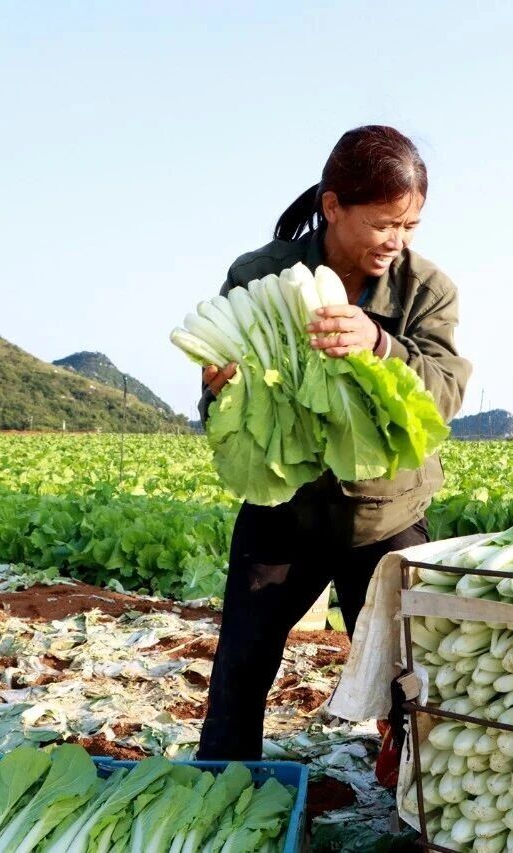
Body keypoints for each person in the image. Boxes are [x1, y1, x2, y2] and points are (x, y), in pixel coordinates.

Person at [194, 126, 471, 760]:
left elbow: (446, 392)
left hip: (383, 514)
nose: (396, 241)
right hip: (284, 506)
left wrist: (380, 343)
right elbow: (219, 400)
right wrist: (221, 389)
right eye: (383, 224)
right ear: (333, 206)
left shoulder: (427, 290)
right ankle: (223, 781)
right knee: (241, 663)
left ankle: (410, 788)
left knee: (410, 676)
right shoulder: (260, 275)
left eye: (410, 226)